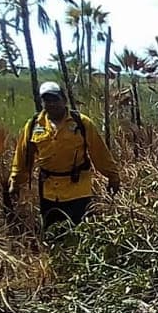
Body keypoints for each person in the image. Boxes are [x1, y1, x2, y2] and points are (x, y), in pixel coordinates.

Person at [8, 80, 119, 232]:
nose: (51, 104)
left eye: (55, 99)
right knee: (52, 235)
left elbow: (99, 153)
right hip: (48, 191)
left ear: (64, 100)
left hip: (78, 188)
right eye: (47, 100)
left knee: (79, 234)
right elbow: (23, 157)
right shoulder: (34, 125)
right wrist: (15, 181)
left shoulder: (82, 123)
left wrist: (112, 176)